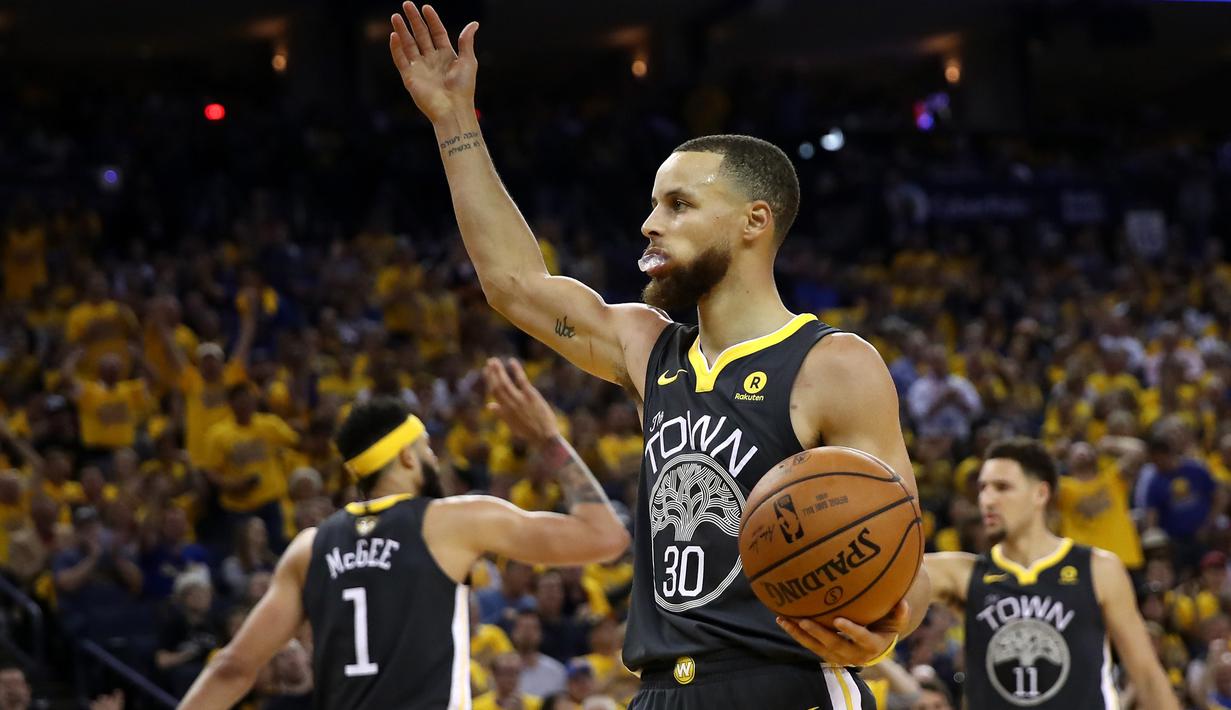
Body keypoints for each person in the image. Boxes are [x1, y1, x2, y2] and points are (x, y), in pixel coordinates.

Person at [387, 4, 928, 707]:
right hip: (659, 690)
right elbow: (512, 285)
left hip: (784, 683)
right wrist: (453, 121)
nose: (649, 223)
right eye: (651, 204)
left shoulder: (832, 364)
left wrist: (886, 625)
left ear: (752, 223)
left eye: (677, 205)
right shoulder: (647, 346)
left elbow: (900, 549)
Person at [178, 358, 629, 709]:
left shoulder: (309, 547)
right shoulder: (452, 521)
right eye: (427, 449)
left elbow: (234, 668)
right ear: (409, 458)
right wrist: (549, 438)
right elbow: (606, 537)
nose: (433, 459)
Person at [923, 437, 1177, 709]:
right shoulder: (963, 574)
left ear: (1040, 494)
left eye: (1002, 487)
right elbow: (902, 576)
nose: (987, 499)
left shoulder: (1097, 568)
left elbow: (1147, 676)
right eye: (983, 488)